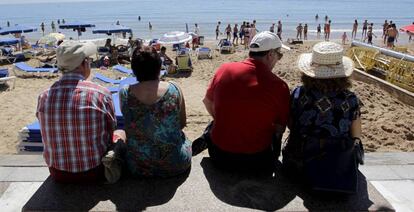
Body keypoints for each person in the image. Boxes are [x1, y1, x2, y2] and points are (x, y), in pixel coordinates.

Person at [192, 31, 291, 173]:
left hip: (220, 157)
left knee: (216, 122)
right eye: (279, 55)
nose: (278, 59)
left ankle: (207, 137)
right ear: (270, 55)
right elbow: (279, 128)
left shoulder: (224, 69)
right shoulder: (279, 86)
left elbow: (207, 101)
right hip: (257, 162)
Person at [36, 41, 126, 183]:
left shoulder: (44, 96)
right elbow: (110, 131)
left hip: (57, 174)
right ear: (84, 63)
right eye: (89, 60)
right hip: (95, 172)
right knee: (121, 133)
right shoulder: (100, 93)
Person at [282, 41, 363, 193]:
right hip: (337, 165)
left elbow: (291, 124)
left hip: (300, 162)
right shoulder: (350, 99)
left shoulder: (299, 93)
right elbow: (356, 135)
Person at [120, 49, 191, 177]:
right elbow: (181, 123)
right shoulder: (174, 89)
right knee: (184, 137)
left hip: (137, 166)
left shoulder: (125, 93)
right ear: (159, 67)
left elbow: (128, 123)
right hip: (175, 165)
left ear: (134, 70)